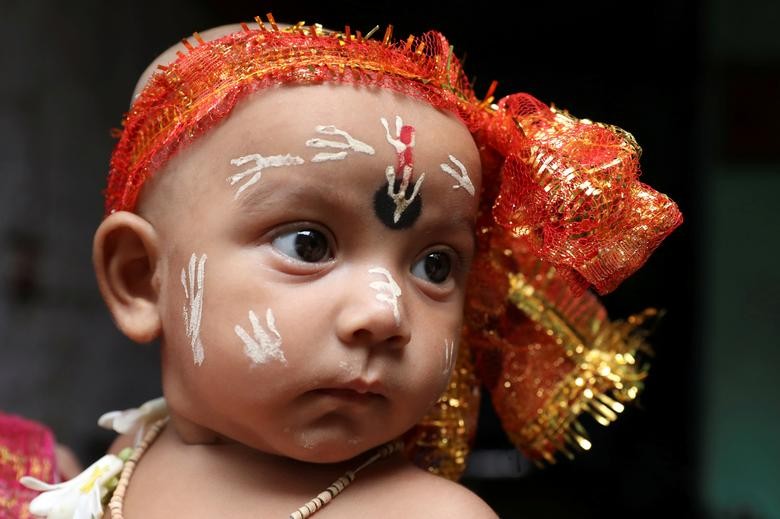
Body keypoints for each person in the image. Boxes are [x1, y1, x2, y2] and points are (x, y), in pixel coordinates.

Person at [17, 15, 682, 518]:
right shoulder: (125, 456)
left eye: (434, 263)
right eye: (308, 245)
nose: (384, 313)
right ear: (142, 280)